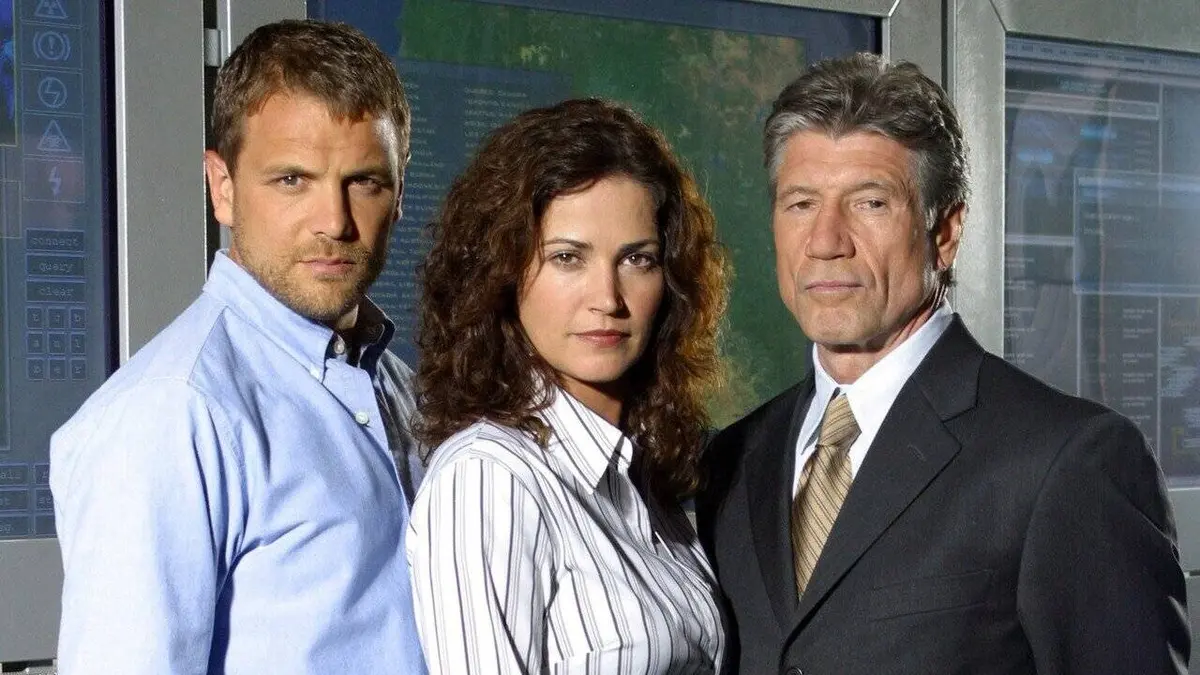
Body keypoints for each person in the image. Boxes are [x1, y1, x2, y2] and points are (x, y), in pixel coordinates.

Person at [697, 53, 1189, 674]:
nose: (825, 242)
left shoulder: (1067, 461)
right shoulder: (733, 460)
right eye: (801, 204)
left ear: (946, 233)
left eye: (869, 203)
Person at [50, 20, 427, 673]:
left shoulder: (406, 390)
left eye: (364, 181)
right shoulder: (169, 416)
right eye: (292, 180)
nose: (334, 221)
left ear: (398, 195)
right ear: (222, 188)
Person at [406, 97, 729, 674]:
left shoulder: (645, 479)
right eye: (567, 258)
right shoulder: (489, 478)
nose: (607, 298)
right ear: (504, 273)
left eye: (637, 259)